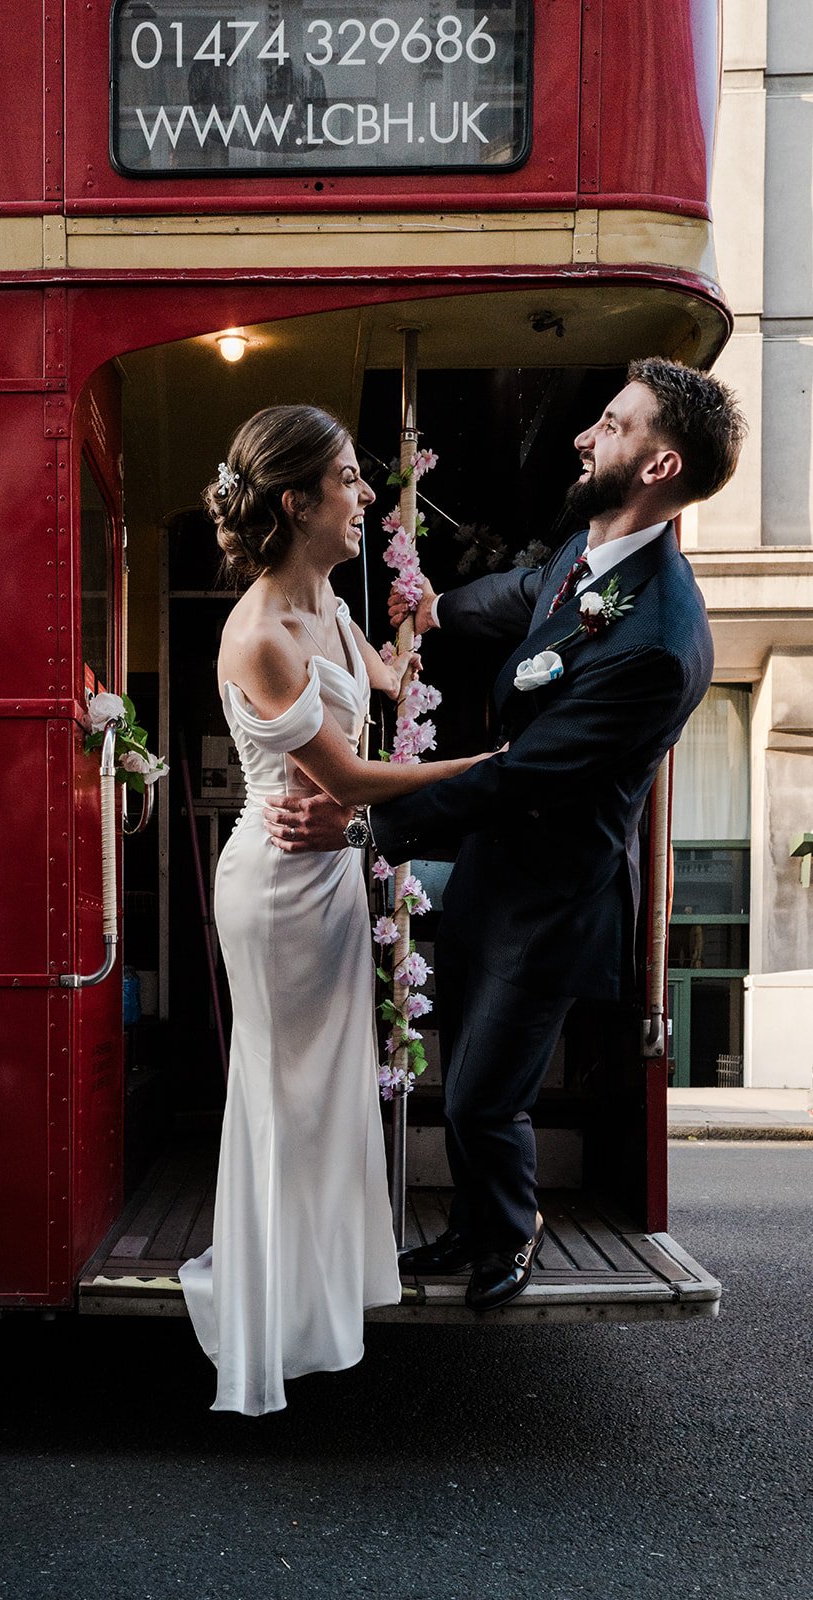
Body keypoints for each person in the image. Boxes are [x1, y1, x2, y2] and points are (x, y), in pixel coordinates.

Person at [263, 359, 746, 1313]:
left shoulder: (659, 641)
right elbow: (532, 591)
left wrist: (362, 823)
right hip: (493, 868)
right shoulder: (593, 551)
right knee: (465, 1078)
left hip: (552, 902)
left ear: (659, 466)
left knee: (487, 1093)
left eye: (612, 425)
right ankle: (477, 1223)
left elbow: (521, 776)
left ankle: (510, 1234)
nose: (584, 436)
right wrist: (437, 608)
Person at [178, 404, 497, 1414]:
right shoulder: (260, 633)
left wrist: (419, 623)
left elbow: (385, 679)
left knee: (328, 1096)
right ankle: (271, 1319)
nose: (366, 496)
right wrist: (489, 768)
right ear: (294, 501)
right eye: (349, 479)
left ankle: (312, 1300)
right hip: (276, 887)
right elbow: (350, 778)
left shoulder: (331, 604)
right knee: (287, 1098)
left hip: (332, 877)